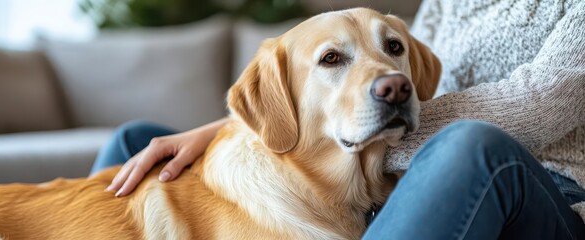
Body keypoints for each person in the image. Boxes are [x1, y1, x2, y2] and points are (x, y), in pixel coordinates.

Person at [94, 0, 585, 239]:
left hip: (541, 189)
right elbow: (391, 73)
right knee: (137, 142)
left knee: (469, 146)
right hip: (407, 177)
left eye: (395, 52)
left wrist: (373, 117)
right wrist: (230, 129)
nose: (394, 79)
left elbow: (537, 106)